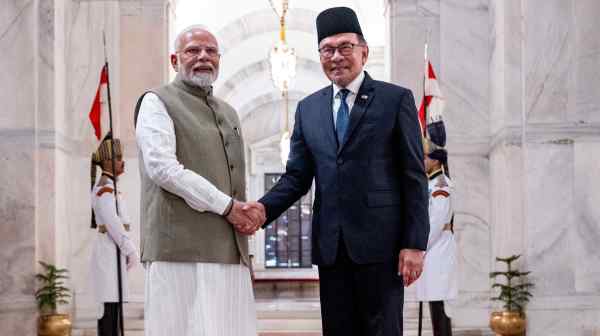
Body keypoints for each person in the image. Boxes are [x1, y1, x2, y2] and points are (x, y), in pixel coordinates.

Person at [254, 7, 430, 336]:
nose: (336, 56)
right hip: (332, 248)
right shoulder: (309, 109)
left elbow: (414, 177)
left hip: (383, 248)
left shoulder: (395, 100)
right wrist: (261, 210)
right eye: (327, 49)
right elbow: (296, 178)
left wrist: (415, 244)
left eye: (345, 47)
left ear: (363, 51)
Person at [134, 25, 263, 336]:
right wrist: (228, 207)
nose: (203, 56)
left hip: (229, 252)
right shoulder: (156, 101)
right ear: (174, 59)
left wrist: (249, 212)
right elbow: (163, 168)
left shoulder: (229, 112)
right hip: (177, 250)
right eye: (193, 50)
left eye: (211, 51)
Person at [89, 134, 139, 336]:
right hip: (109, 254)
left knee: (114, 312)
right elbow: (113, 224)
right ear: (107, 161)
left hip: (113, 253)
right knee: (109, 314)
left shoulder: (109, 186)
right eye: (118, 158)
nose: (122, 162)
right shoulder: (105, 189)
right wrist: (130, 249)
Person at [415, 142, 458, 336]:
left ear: (436, 160)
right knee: (434, 300)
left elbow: (437, 220)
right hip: (434, 249)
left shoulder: (441, 185)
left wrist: (420, 246)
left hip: (439, 248)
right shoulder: (432, 183)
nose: (423, 160)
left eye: (426, 157)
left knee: (439, 303)